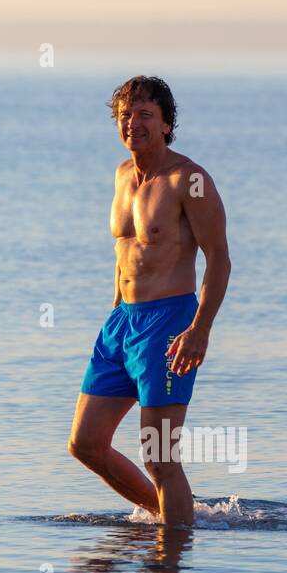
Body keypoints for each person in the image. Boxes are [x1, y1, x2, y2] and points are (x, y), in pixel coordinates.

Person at [67, 76, 231, 527]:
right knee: (86, 444)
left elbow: (219, 257)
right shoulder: (122, 175)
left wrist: (200, 328)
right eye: (125, 115)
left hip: (169, 323)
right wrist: (114, 312)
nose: (133, 123)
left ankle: (172, 562)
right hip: (121, 323)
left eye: (144, 114)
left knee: (160, 458)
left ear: (166, 124)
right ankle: (169, 520)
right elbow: (127, 255)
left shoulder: (189, 180)